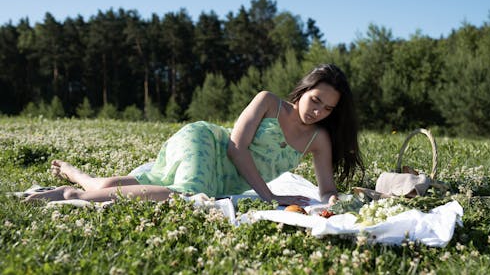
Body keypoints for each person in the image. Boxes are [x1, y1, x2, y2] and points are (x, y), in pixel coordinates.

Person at [25, 64, 364, 206]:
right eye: (315, 100)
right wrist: (270, 197)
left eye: (327, 109)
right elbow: (235, 148)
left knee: (136, 186)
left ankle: (75, 177)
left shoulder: (318, 139)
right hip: (207, 144)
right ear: (303, 91)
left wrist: (333, 199)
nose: (317, 111)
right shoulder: (268, 103)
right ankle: (74, 197)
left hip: (226, 183)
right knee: (186, 195)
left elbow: (326, 188)